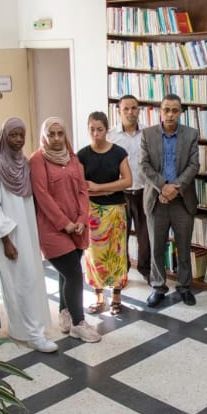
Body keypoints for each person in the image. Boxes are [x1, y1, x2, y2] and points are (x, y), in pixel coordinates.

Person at [0, 119, 57, 352]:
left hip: (28, 232)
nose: (17, 139)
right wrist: (6, 241)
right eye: (13, 135)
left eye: (21, 135)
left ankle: (24, 330)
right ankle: (32, 334)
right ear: (4, 137)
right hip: (11, 237)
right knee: (20, 283)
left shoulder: (25, 164)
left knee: (31, 279)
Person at [29, 117, 98, 342]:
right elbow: (42, 196)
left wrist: (80, 219)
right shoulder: (37, 160)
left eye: (60, 133)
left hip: (77, 226)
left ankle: (64, 311)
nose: (57, 139)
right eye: (52, 134)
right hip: (53, 228)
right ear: (44, 136)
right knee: (73, 273)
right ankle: (79, 323)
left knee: (67, 271)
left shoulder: (72, 156)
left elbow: (82, 190)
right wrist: (64, 223)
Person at [140, 94, 200, 307]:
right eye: (167, 110)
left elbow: (194, 166)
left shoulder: (191, 134)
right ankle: (158, 287)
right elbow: (144, 165)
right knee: (156, 247)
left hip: (182, 199)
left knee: (183, 247)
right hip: (157, 200)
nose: (171, 114)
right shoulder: (147, 134)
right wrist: (162, 187)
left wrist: (175, 188)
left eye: (175, 110)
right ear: (160, 111)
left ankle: (184, 287)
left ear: (181, 112)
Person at [78, 111, 131, 316]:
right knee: (94, 255)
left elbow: (127, 181)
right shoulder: (82, 154)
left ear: (107, 130)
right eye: (92, 129)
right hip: (93, 212)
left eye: (100, 129)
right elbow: (81, 186)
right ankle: (98, 297)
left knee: (117, 254)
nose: (96, 133)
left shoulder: (118, 152)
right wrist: (109, 188)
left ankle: (116, 297)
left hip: (115, 211)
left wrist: (100, 187)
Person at [108, 95, 151, 279]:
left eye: (134, 108)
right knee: (120, 237)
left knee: (146, 237)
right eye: (126, 108)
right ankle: (121, 272)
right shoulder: (111, 136)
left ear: (139, 110)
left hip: (144, 192)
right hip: (121, 195)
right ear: (119, 111)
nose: (130, 112)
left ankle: (146, 270)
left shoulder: (148, 134)